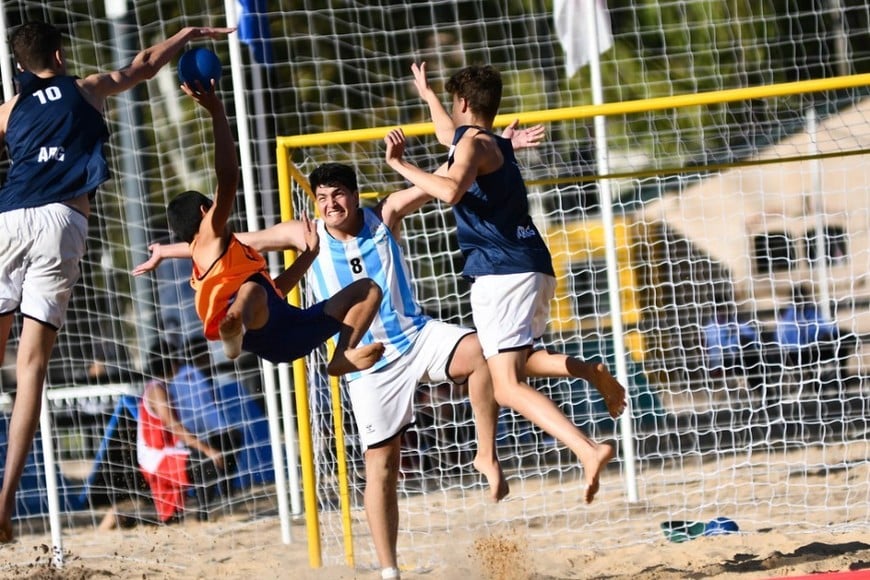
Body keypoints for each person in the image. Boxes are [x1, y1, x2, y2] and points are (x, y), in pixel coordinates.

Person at [0, 20, 234, 543]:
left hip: (9, 220)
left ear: (19, 67)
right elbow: (146, 63)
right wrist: (187, 33)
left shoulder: (10, 110)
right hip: (62, 221)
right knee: (32, 366)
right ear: (60, 56)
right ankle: (6, 498)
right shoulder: (85, 88)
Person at [383, 62, 626, 505]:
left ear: (463, 104)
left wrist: (401, 164)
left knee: (506, 386)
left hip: (500, 272)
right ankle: (589, 371)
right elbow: (446, 136)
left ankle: (587, 450)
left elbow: (451, 190)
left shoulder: (473, 145)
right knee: (521, 361)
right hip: (532, 264)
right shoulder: (486, 141)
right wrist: (427, 94)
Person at [162, 80, 384, 375]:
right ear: (205, 211)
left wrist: (310, 255)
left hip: (288, 331)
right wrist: (216, 111)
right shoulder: (207, 238)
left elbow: (275, 291)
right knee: (252, 290)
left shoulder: (234, 258)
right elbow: (228, 178)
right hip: (252, 326)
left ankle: (342, 355)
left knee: (368, 289)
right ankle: (234, 325)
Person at [703, 302, 765, 389]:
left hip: (738, 354)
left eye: (726, 309)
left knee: (756, 355)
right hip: (723, 359)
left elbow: (752, 334)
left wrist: (743, 334)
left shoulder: (732, 320)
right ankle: (759, 388)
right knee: (750, 360)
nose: (725, 312)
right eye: (721, 309)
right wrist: (737, 339)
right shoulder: (711, 327)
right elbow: (721, 346)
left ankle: (760, 388)